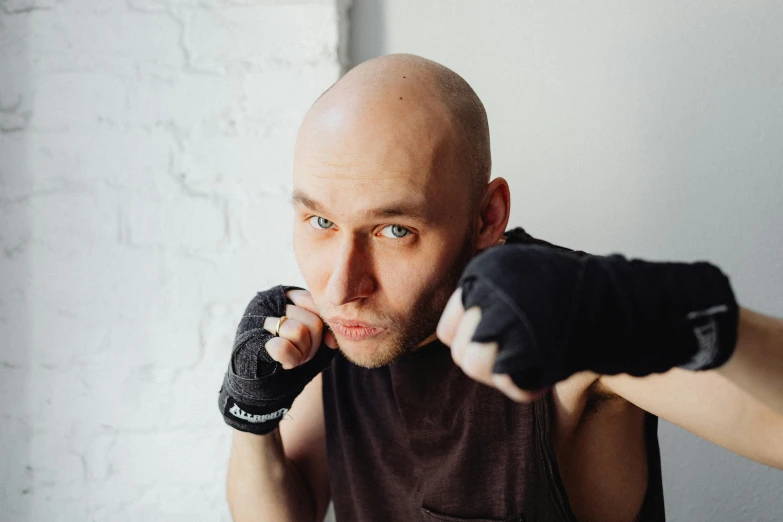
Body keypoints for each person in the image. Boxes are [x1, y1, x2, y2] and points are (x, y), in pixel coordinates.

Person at [218, 54, 783, 522]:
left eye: (395, 230)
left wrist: (651, 306)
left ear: (488, 216)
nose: (343, 285)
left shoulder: (568, 319)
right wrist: (252, 416)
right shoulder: (345, 330)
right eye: (321, 222)